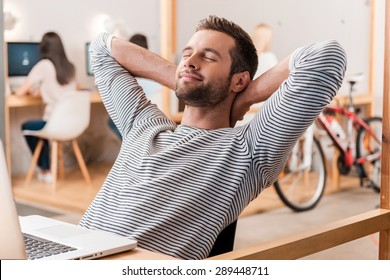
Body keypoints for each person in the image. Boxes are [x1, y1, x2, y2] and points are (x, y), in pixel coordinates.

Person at [79, 15, 346, 259]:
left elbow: (326, 56)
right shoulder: (143, 124)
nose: (190, 61)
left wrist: (246, 97)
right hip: (68, 255)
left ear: (239, 81)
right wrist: (182, 76)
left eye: (208, 57)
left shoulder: (248, 151)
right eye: (187, 54)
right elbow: (101, 48)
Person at [15, 32, 77, 183]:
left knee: (27, 127)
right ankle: (47, 168)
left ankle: (45, 169)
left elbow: (20, 92)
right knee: (40, 131)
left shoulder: (44, 65)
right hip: (73, 124)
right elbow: (75, 89)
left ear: (43, 48)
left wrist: (33, 90)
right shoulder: (70, 67)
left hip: (53, 123)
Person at [107, 33, 161, 139]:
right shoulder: (156, 70)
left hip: (138, 121)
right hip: (156, 118)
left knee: (111, 122)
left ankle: (129, 144)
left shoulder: (129, 75)